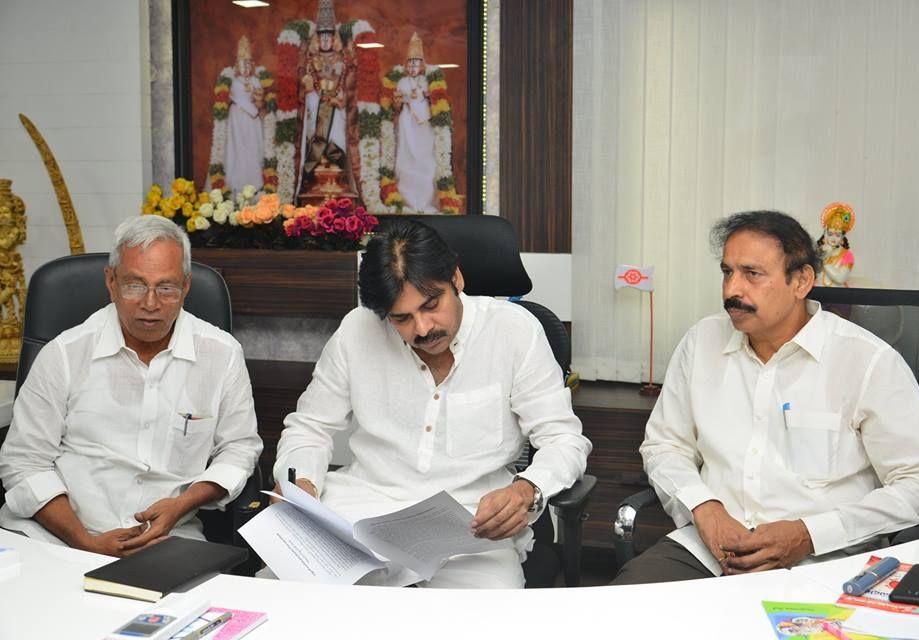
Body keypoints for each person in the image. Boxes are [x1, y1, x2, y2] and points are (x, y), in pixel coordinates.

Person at [612, 210, 919, 585]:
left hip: (827, 561)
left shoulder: (868, 361)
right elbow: (664, 445)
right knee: (615, 614)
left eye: (752, 274)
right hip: (706, 552)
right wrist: (705, 508)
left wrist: (810, 533)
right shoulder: (701, 342)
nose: (731, 291)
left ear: (802, 281)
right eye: (727, 272)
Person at [273, 219, 591, 588]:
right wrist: (302, 483)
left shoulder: (514, 331)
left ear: (456, 279)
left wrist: (527, 488)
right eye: (401, 317)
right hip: (362, 514)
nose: (422, 329)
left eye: (431, 305)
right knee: (285, 604)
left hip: (470, 527)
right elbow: (309, 427)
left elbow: (563, 439)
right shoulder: (357, 329)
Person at [0, 215, 262, 556]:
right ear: (111, 282)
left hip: (169, 538)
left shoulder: (222, 354)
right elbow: (25, 463)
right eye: (135, 285)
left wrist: (181, 505)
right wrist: (87, 543)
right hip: (56, 540)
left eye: (166, 287)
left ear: (185, 287)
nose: (150, 303)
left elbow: (239, 449)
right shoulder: (64, 354)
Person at [295, 0, 356, 202]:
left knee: (337, 135)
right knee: (316, 134)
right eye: (323, 37)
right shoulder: (311, 60)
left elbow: (349, 87)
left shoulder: (342, 59)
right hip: (317, 103)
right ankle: (314, 173)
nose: (326, 41)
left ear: (334, 38)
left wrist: (340, 98)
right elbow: (306, 86)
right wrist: (311, 89)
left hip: (335, 107)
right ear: (317, 39)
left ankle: (337, 170)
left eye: (329, 37)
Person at [392, 33, 438, 212]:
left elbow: (435, 102)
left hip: (423, 124)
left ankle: (425, 202)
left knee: (425, 160)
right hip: (406, 122)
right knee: (406, 160)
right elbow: (396, 105)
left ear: (421, 65)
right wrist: (399, 100)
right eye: (410, 63)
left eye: (416, 63)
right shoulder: (402, 81)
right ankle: (407, 202)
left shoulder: (428, 81)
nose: (412, 67)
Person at [223, 35, 265, 193]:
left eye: (248, 64)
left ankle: (254, 184)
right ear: (237, 66)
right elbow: (237, 97)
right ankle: (237, 185)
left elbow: (260, 102)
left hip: (252, 122)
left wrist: (259, 101)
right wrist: (253, 110)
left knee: (252, 149)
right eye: (243, 64)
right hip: (238, 120)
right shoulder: (232, 81)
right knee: (238, 150)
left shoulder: (255, 80)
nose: (246, 67)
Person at [816, 202, 855, 287]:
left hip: (839, 294)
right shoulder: (819, 251)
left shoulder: (848, 255)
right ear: (825, 233)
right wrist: (822, 253)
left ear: (842, 237)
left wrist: (824, 260)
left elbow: (840, 278)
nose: (833, 238)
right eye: (830, 234)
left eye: (837, 235)